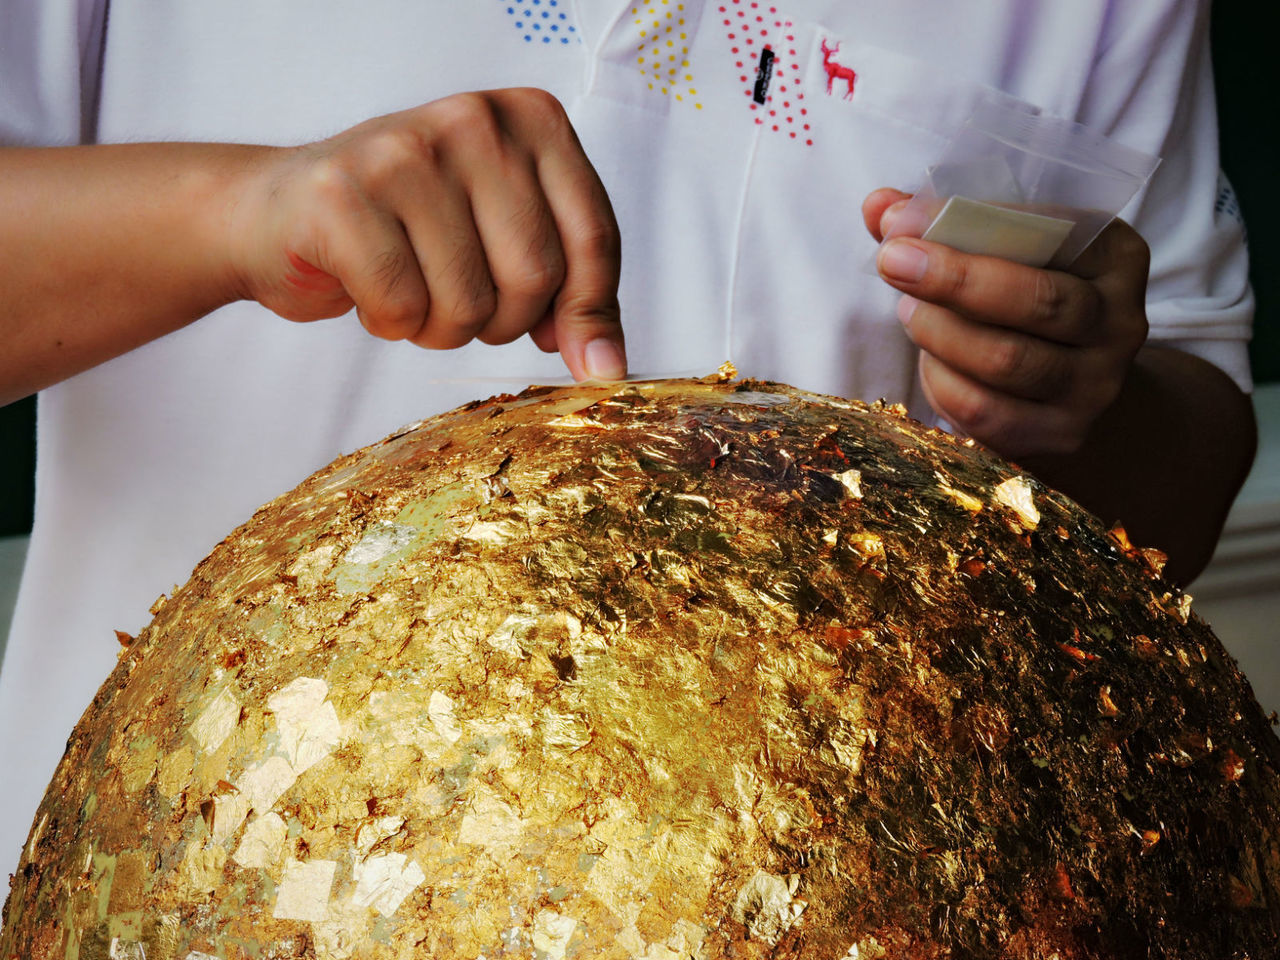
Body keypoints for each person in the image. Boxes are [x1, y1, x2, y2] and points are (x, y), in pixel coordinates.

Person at [0, 0, 1255, 884]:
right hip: (201, 882)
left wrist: (1072, 396)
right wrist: (234, 213)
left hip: (848, 888)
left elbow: (1184, 449)